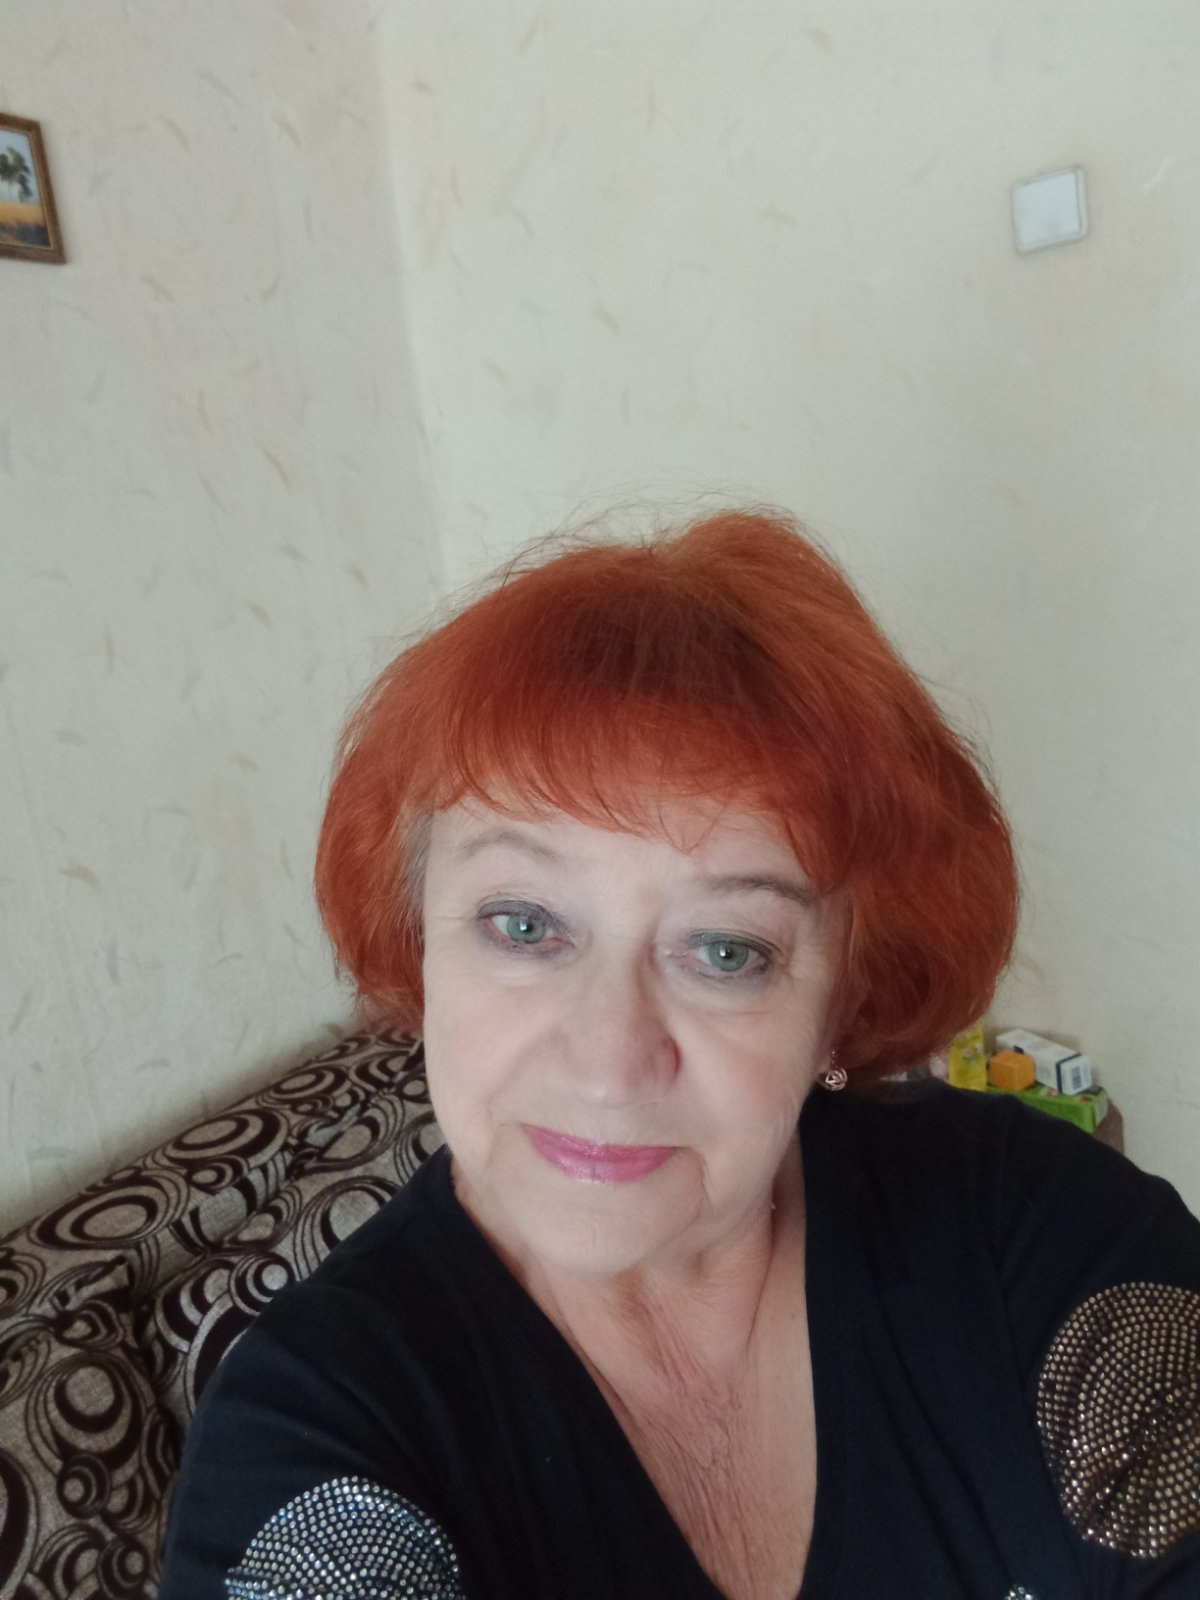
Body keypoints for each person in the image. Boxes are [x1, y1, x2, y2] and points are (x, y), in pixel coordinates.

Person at [160, 509, 1200, 1600]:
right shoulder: (321, 1428)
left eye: (725, 950)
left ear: (842, 1001)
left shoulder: (1025, 1224)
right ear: (420, 942)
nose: (608, 1063)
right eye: (524, 925)